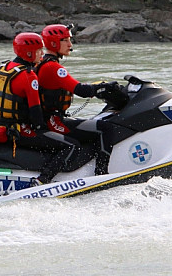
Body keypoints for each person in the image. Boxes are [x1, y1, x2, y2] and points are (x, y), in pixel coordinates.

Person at [0, 32, 82, 184]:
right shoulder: (28, 76)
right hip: (20, 131)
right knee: (72, 146)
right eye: (39, 51)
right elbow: (35, 112)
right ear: (29, 53)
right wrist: (46, 129)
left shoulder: (4, 68)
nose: (42, 54)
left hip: (2, 126)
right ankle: (43, 180)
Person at [37, 24, 120, 174]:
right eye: (65, 40)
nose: (70, 44)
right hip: (53, 122)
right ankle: (101, 173)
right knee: (105, 128)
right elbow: (82, 90)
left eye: (70, 40)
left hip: (47, 119)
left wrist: (97, 87)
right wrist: (105, 86)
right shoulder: (53, 68)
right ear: (54, 43)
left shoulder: (42, 61)